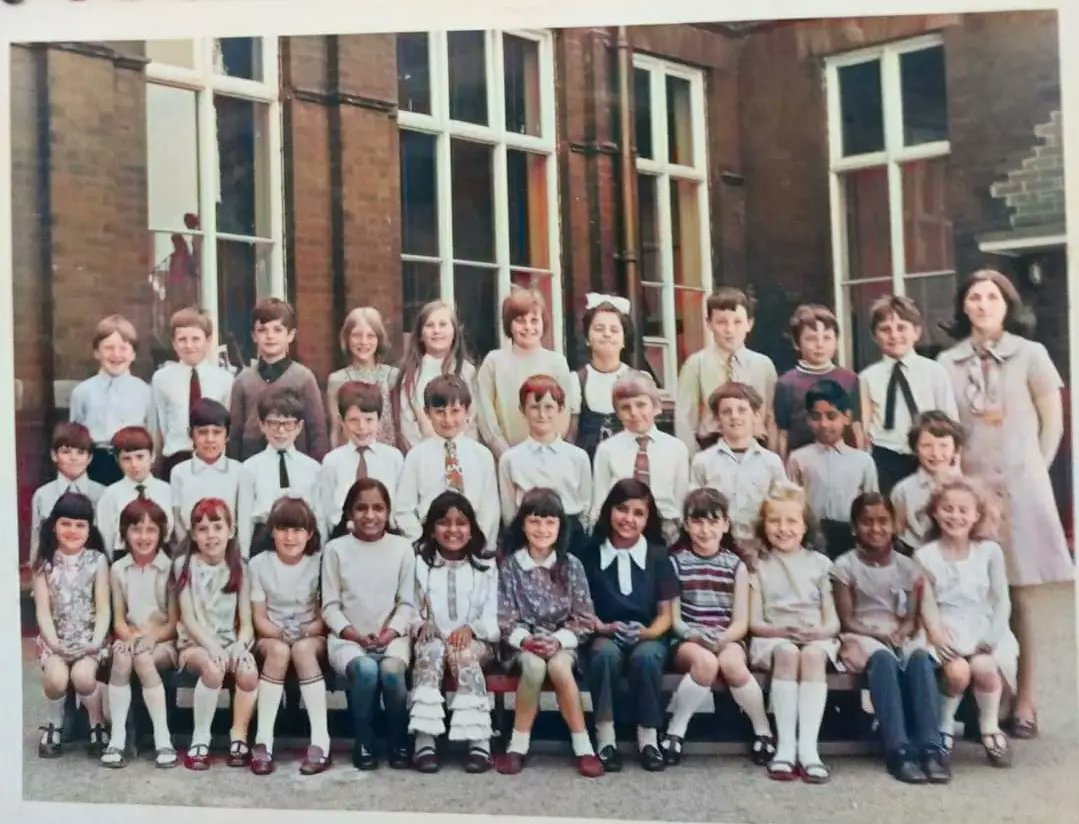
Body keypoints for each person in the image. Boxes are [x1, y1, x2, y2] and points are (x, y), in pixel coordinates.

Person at [937, 268, 1071, 738]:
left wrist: (1035, 468)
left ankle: (1026, 699)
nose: (983, 305)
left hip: (1021, 485)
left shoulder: (1030, 354)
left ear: (1007, 305)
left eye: (992, 297)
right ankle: (995, 695)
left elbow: (1053, 421)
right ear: (964, 306)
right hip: (969, 492)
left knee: (1020, 596)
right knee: (976, 590)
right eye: (975, 297)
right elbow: (947, 428)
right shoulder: (948, 362)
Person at [831, 493, 950, 784]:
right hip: (862, 633)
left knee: (919, 658)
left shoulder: (908, 567)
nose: (875, 528)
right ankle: (898, 749)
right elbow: (847, 619)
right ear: (854, 528)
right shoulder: (845, 566)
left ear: (894, 525)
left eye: (883, 521)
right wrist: (878, 635)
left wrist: (904, 630)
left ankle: (931, 747)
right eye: (866, 522)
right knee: (883, 659)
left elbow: (911, 616)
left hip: (896, 632)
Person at [661, 488, 774, 767]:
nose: (705, 530)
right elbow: (675, 620)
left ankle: (762, 729)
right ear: (686, 524)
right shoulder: (675, 563)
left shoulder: (736, 566)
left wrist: (723, 639)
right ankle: (676, 730)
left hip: (727, 636)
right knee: (705, 663)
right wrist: (694, 635)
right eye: (697, 522)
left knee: (732, 663)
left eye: (713, 522)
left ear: (725, 524)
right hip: (688, 639)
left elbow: (740, 622)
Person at [496, 488, 603, 778]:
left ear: (560, 527)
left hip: (562, 642)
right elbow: (504, 617)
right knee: (533, 667)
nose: (542, 529)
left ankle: (583, 745)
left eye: (549, 522)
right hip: (523, 644)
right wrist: (526, 640)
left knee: (559, 667)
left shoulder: (571, 566)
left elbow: (584, 618)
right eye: (534, 521)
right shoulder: (511, 567)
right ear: (522, 525)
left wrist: (558, 640)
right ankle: (518, 744)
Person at [916, 476, 1019, 768]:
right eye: (947, 509)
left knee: (984, 667)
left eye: (963, 510)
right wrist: (937, 634)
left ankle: (989, 728)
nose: (955, 516)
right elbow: (928, 604)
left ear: (976, 515)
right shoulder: (925, 555)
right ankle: (944, 726)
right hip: (947, 626)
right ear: (935, 513)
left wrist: (993, 635)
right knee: (958, 672)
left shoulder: (989, 552)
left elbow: (1001, 599)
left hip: (983, 625)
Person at [576, 479, 676, 772]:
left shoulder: (657, 554)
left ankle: (648, 737)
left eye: (638, 513)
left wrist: (648, 633)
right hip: (603, 631)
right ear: (609, 510)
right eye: (622, 509)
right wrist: (601, 627)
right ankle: (605, 736)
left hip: (647, 633)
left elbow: (666, 614)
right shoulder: (590, 552)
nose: (628, 519)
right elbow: (580, 604)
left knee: (647, 657)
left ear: (648, 519)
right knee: (604, 654)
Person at [748, 480, 840, 784]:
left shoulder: (820, 564)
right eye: (774, 520)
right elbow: (754, 622)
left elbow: (833, 622)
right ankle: (785, 746)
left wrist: (817, 633)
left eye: (792, 521)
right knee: (787, 652)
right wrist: (781, 630)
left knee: (812, 656)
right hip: (772, 637)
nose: (783, 528)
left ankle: (808, 749)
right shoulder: (758, 565)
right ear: (763, 525)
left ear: (805, 526)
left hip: (814, 636)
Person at [321, 479, 415, 770]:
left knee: (390, 671)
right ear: (350, 512)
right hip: (348, 639)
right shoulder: (336, 549)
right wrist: (355, 635)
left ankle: (398, 739)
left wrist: (390, 633)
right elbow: (330, 606)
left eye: (378, 508)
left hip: (392, 637)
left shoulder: (402, 548)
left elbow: (406, 603)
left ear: (388, 512)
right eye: (361, 508)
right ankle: (364, 739)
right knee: (365, 670)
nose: (370, 515)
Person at [409, 492, 499, 774]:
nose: (452, 530)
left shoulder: (486, 567)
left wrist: (472, 629)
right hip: (432, 639)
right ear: (431, 530)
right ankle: (425, 740)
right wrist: (421, 624)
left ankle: (479, 741)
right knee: (431, 651)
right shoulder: (419, 565)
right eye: (444, 523)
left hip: (475, 641)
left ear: (471, 529)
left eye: (461, 523)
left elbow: (494, 616)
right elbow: (409, 607)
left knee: (463, 654)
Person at [173, 497, 258, 770]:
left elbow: (246, 623)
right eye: (202, 529)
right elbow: (188, 618)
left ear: (231, 531)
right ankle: (201, 738)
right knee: (212, 668)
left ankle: (238, 735)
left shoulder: (240, 567)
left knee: (248, 670)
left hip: (229, 642)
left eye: (217, 527)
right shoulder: (184, 565)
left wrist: (240, 646)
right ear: (193, 535)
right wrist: (212, 647)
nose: (210, 535)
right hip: (195, 644)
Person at [248, 497, 330, 776]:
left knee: (303, 650)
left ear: (309, 533)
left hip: (310, 633)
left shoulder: (319, 563)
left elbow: (322, 616)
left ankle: (320, 741)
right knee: (279, 651)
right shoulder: (259, 564)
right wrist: (279, 633)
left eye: (297, 530)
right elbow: (259, 617)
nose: (290, 537)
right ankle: (264, 740)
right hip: (272, 634)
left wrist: (306, 631)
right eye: (283, 529)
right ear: (272, 531)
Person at [101, 498, 178, 769]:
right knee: (122, 658)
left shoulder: (170, 568)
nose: (143, 537)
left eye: (151, 530)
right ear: (124, 533)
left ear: (161, 534)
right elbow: (118, 619)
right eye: (136, 530)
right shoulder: (118, 569)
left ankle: (162, 738)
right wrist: (129, 638)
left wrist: (150, 638)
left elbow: (173, 622)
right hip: (130, 637)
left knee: (144, 659)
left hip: (163, 641)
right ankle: (117, 738)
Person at [32, 492, 111, 759]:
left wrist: (95, 642)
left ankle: (96, 723)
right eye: (66, 523)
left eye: (80, 525)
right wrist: (54, 644)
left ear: (89, 529)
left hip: (89, 640)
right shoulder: (44, 564)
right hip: (56, 640)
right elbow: (43, 612)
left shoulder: (97, 560)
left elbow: (103, 608)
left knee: (83, 677)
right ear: (54, 525)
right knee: (56, 679)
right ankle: (54, 725)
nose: (72, 530)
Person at [859, 296, 958, 495]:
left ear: (917, 332)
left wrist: (954, 464)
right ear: (875, 336)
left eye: (901, 328)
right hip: (885, 457)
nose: (894, 335)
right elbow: (864, 428)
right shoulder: (867, 377)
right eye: (885, 329)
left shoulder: (934, 372)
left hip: (929, 455)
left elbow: (951, 421)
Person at [394, 374, 500, 547]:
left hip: (473, 544)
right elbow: (403, 509)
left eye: (455, 411)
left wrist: (479, 543)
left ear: (467, 410)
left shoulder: (482, 455)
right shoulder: (416, 456)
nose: (448, 420)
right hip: (428, 543)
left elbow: (490, 509)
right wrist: (421, 541)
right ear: (427, 413)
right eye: (440, 412)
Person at [475, 288, 579, 460]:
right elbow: (486, 416)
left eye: (534, 320)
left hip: (549, 457)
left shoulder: (557, 363)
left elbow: (564, 414)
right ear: (509, 324)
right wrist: (507, 456)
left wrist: (548, 451)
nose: (528, 327)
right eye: (520, 320)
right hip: (505, 457)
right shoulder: (494, 362)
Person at [689, 382, 786, 565]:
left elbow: (781, 507)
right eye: (726, 412)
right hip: (717, 551)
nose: (734, 416)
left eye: (742, 410)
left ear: (756, 415)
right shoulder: (703, 461)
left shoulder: (771, 462)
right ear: (717, 419)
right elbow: (694, 509)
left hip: (761, 551)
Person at [675, 288, 777, 454]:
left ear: (749, 324)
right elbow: (685, 419)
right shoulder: (696, 364)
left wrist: (771, 455)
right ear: (709, 324)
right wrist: (692, 458)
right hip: (710, 447)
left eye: (737, 322)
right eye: (721, 322)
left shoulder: (763, 366)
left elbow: (771, 417)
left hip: (755, 448)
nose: (729, 330)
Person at [498, 374, 591, 553]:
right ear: (523, 410)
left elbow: (585, 504)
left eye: (549, 407)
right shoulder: (510, 459)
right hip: (528, 535)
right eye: (534, 407)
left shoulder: (578, 457)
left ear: (561, 409)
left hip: (571, 537)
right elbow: (509, 512)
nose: (542, 415)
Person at [591, 375, 688, 546]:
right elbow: (600, 498)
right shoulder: (607, 449)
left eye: (641, 405)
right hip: (623, 525)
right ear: (617, 413)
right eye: (625, 407)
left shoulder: (676, 448)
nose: (634, 413)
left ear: (656, 407)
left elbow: (681, 496)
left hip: (666, 526)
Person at [228, 297, 329, 461]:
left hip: (295, 461)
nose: (270, 336)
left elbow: (317, 431)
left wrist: (317, 466)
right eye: (262, 330)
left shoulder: (303, 378)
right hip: (252, 460)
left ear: (290, 335)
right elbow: (235, 433)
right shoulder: (243, 380)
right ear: (254, 336)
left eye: (277, 330)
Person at [786, 380, 878, 559]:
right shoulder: (798, 458)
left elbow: (871, 506)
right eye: (816, 417)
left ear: (846, 417)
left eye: (831, 416)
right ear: (808, 419)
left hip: (851, 540)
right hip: (811, 539)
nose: (824, 424)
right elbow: (791, 503)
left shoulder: (863, 461)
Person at [236, 388, 323, 558]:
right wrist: (244, 557)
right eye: (273, 423)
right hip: (264, 540)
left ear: (299, 427)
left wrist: (320, 553)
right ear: (262, 425)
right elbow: (245, 517)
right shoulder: (250, 467)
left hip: (301, 540)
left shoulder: (312, 468)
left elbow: (319, 515)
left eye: (288, 424)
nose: (281, 431)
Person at [150, 307, 235, 479]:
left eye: (196, 339)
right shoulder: (161, 379)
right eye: (182, 340)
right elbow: (160, 424)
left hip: (213, 459)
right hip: (176, 456)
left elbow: (227, 425)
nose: (189, 346)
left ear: (208, 340)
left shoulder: (224, 379)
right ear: (174, 343)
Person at [70, 314, 153, 486]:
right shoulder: (82, 392)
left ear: (133, 354)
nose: (116, 354)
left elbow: (152, 434)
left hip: (132, 463)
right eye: (108, 348)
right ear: (96, 352)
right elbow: (74, 438)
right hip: (95, 464)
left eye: (123, 348)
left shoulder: (145, 392)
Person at [772, 304, 863, 460]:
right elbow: (782, 432)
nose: (820, 345)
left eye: (827, 338)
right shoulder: (787, 383)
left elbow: (856, 426)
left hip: (843, 459)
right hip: (802, 460)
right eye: (811, 338)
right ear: (797, 343)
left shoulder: (849, 379)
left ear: (836, 341)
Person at [569, 293, 652, 461]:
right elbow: (571, 435)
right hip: (589, 464)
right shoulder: (577, 381)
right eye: (599, 329)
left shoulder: (640, 380)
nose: (607, 334)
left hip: (628, 463)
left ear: (624, 340)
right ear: (587, 338)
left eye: (614, 330)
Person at [319, 380, 404, 536]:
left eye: (369, 420)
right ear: (341, 421)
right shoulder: (332, 461)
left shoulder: (393, 458)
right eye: (354, 420)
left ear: (379, 420)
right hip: (344, 534)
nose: (362, 427)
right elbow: (326, 510)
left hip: (386, 534)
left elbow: (400, 507)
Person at [392, 300, 478, 453]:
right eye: (430, 325)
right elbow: (408, 422)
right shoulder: (411, 376)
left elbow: (472, 420)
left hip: (462, 453)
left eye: (443, 324)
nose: (436, 331)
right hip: (424, 453)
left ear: (454, 331)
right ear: (420, 334)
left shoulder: (467, 372)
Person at [29, 422, 105, 565]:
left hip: (94, 570)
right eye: (66, 452)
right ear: (54, 455)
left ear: (89, 458)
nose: (73, 458)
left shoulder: (102, 494)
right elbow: (36, 542)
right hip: (52, 570)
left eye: (80, 452)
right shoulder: (42, 495)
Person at [169, 399, 242, 544]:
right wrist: (186, 549)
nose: (210, 439)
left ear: (227, 435)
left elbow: (242, 517)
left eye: (217, 432)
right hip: (190, 545)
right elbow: (177, 518)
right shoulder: (179, 472)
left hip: (229, 546)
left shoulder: (239, 471)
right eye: (202, 432)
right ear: (191, 434)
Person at [890, 411, 964, 553]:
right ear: (915, 449)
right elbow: (898, 531)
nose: (935, 453)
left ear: (955, 449)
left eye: (943, 445)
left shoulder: (967, 489)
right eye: (926, 445)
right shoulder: (903, 490)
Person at [95, 426, 173, 559]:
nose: (134, 464)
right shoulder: (111, 495)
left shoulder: (167, 490)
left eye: (140, 457)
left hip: (161, 557)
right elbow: (106, 534)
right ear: (118, 461)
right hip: (123, 557)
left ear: (152, 456)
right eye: (126, 459)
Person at [326, 307, 400, 448]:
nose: (364, 341)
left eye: (370, 336)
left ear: (379, 339)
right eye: (356, 335)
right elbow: (336, 429)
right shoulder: (337, 380)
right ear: (347, 338)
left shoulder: (392, 376)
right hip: (351, 454)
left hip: (387, 453)